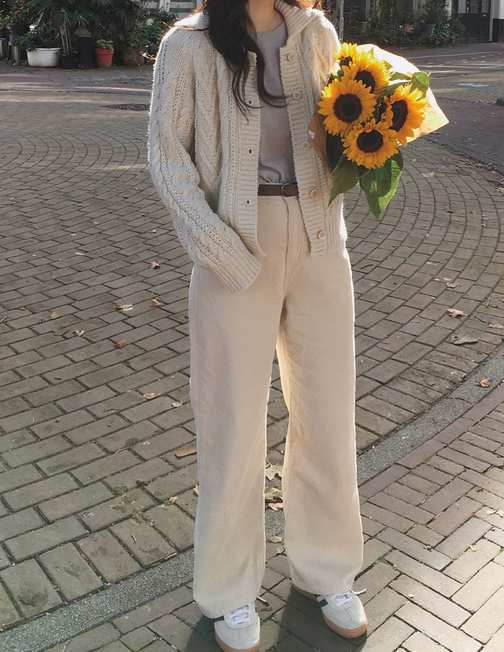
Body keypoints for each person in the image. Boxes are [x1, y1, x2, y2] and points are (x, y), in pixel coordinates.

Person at [148, 1, 366, 650]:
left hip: (320, 247)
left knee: (328, 418)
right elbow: (167, 158)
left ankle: (328, 571)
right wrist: (219, 250)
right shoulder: (187, 46)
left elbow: (340, 138)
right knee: (232, 428)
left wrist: (374, 138)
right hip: (234, 248)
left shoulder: (316, 33)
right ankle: (228, 591)